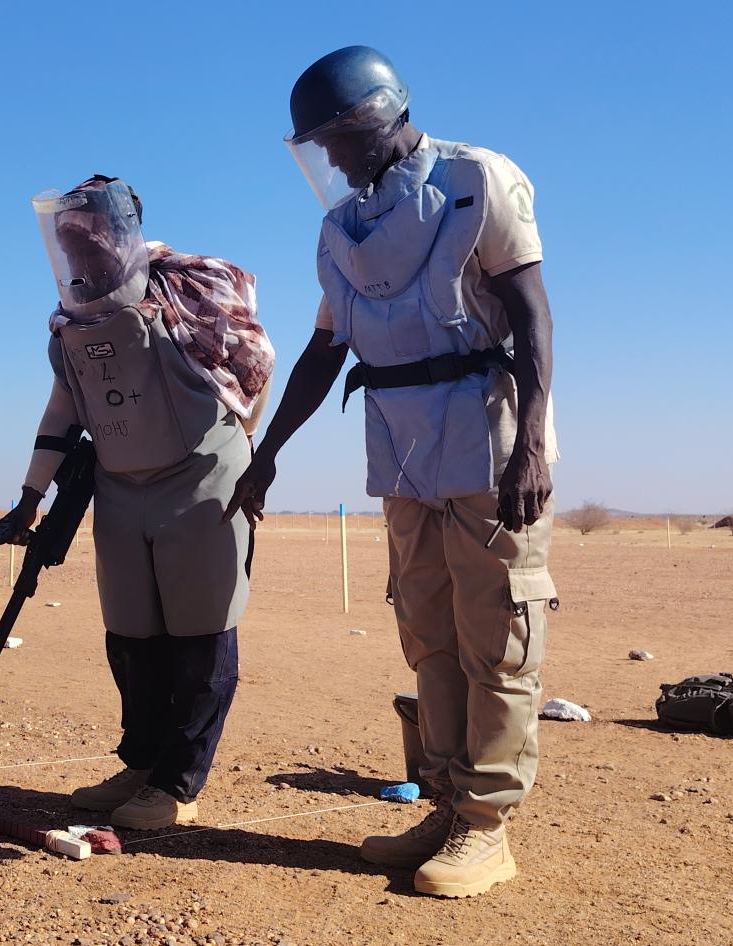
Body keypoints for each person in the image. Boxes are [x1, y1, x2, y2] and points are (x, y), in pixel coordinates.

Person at [225, 46, 559, 897]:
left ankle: (487, 828)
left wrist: (532, 443)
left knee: (498, 639)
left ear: (377, 117)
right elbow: (323, 352)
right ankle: (445, 805)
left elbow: (530, 315)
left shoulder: (477, 181)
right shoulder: (342, 231)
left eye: (336, 138)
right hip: (403, 459)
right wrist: (266, 456)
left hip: (490, 447)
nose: (329, 159)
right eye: (317, 146)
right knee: (431, 639)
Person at [9, 176, 275, 830]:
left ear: (119, 232)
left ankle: (178, 783)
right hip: (121, 484)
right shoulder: (71, 321)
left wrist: (249, 453)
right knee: (131, 635)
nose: (81, 253)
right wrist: (29, 496)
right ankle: (142, 761)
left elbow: (254, 366)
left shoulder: (189, 290)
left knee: (200, 634)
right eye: (69, 242)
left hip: (201, 475)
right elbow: (68, 403)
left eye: (89, 238)